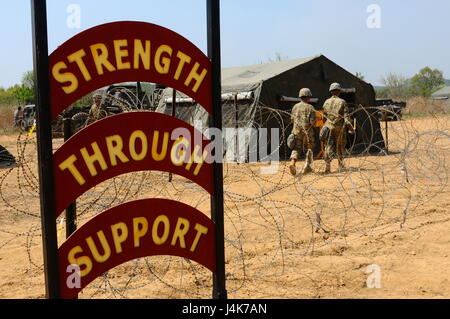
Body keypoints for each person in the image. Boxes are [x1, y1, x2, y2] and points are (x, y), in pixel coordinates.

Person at [322, 82, 353, 173]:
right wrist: (350, 128)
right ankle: (340, 164)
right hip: (339, 127)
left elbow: (324, 117)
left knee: (328, 146)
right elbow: (346, 117)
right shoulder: (342, 102)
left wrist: (326, 125)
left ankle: (327, 166)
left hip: (328, 126)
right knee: (340, 145)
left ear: (331, 92)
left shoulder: (326, 102)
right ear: (339, 91)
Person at [289, 88, 316, 175]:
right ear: (308, 97)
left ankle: (292, 163)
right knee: (309, 149)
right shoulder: (310, 107)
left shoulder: (295, 107)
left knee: (297, 148)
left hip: (296, 132)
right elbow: (313, 122)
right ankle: (307, 167)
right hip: (307, 133)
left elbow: (292, 120)